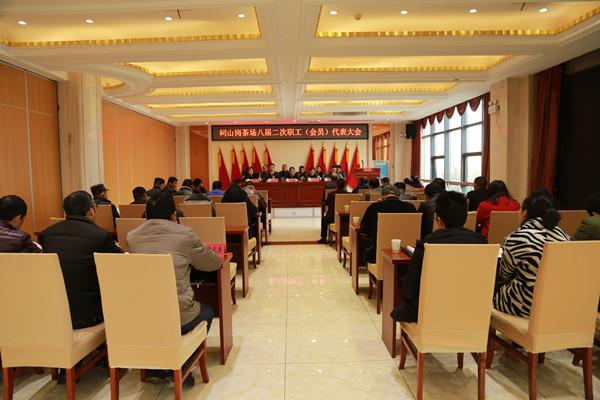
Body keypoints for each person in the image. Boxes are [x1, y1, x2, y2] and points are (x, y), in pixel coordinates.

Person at [127, 191, 221, 386]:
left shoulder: (132, 236)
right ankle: (184, 364)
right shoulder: (185, 234)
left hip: (145, 317)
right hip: (178, 317)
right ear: (173, 215)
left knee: (157, 310)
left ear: (146, 214)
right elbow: (211, 264)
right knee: (208, 310)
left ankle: (155, 368)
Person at [392, 191, 487, 322]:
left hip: (432, 309)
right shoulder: (481, 242)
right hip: (471, 309)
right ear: (465, 218)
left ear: (438, 219)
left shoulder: (427, 243)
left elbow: (410, 289)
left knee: (400, 311)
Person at [40, 191, 123, 329]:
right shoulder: (100, 236)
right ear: (91, 211)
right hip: (88, 315)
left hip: (55, 310)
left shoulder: (48, 234)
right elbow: (120, 266)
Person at [493, 191, 568, 318]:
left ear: (525, 212)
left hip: (525, 305)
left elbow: (504, 275)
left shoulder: (518, 237)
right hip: (556, 301)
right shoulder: (562, 234)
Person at [360, 185, 417, 263]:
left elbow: (364, 226)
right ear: (399, 196)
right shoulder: (410, 207)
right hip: (408, 253)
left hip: (377, 253)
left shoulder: (374, 207)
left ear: (382, 196)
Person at [318, 178, 348, 244]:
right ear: (345, 185)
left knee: (324, 220)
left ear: (336, 185)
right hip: (346, 218)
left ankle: (323, 238)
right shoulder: (349, 194)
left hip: (332, 217)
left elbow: (327, 204)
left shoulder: (331, 194)